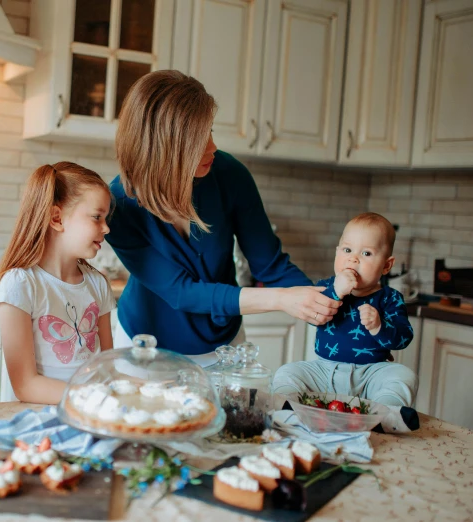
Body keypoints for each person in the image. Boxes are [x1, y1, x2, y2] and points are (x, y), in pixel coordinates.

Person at [107, 70, 340, 364]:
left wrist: (326, 303)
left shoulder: (230, 175)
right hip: (144, 346)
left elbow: (271, 266)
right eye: (198, 139)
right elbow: (181, 292)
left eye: (210, 131)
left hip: (223, 344)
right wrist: (281, 298)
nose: (212, 147)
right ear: (164, 146)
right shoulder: (118, 204)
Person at [0, 162, 116, 405]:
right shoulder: (20, 285)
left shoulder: (98, 285)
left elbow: (106, 369)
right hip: (41, 421)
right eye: (97, 217)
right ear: (57, 218)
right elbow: (26, 386)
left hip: (94, 416)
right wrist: (93, 399)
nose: (106, 228)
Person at [273, 212, 418, 408]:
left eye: (366, 253)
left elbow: (404, 338)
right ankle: (287, 407)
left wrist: (379, 326)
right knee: (288, 372)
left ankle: (386, 413)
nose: (353, 259)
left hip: (371, 373)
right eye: (347, 250)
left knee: (403, 376)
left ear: (386, 265)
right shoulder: (326, 287)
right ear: (337, 252)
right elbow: (312, 317)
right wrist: (336, 292)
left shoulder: (391, 298)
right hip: (323, 370)